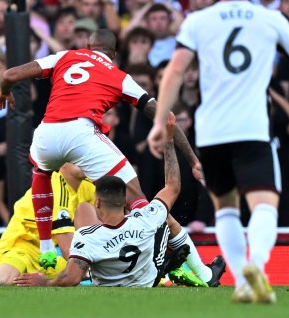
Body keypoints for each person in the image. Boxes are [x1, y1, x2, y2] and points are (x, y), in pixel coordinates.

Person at [148, 0, 289, 304]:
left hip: (212, 131)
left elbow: (177, 71)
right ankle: (255, 265)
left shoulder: (198, 21)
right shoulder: (270, 19)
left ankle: (242, 278)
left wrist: (157, 121)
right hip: (253, 127)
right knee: (263, 205)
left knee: (225, 207)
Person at [0, 29, 223, 287]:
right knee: (138, 198)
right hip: (81, 133)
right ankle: (160, 255)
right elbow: (166, 117)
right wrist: (193, 160)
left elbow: (9, 74)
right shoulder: (118, 76)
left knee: (41, 174)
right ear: (113, 55)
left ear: (87, 46)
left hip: (45, 133)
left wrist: (5, 92)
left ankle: (47, 248)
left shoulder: (65, 57)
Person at [13, 116, 182, 288]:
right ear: (125, 201)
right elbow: (173, 186)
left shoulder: (87, 237)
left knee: (83, 216)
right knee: (161, 223)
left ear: (98, 202)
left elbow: (70, 279)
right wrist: (169, 141)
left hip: (110, 295)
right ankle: (160, 262)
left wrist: (45, 282)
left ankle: (156, 261)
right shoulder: (145, 217)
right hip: (147, 285)